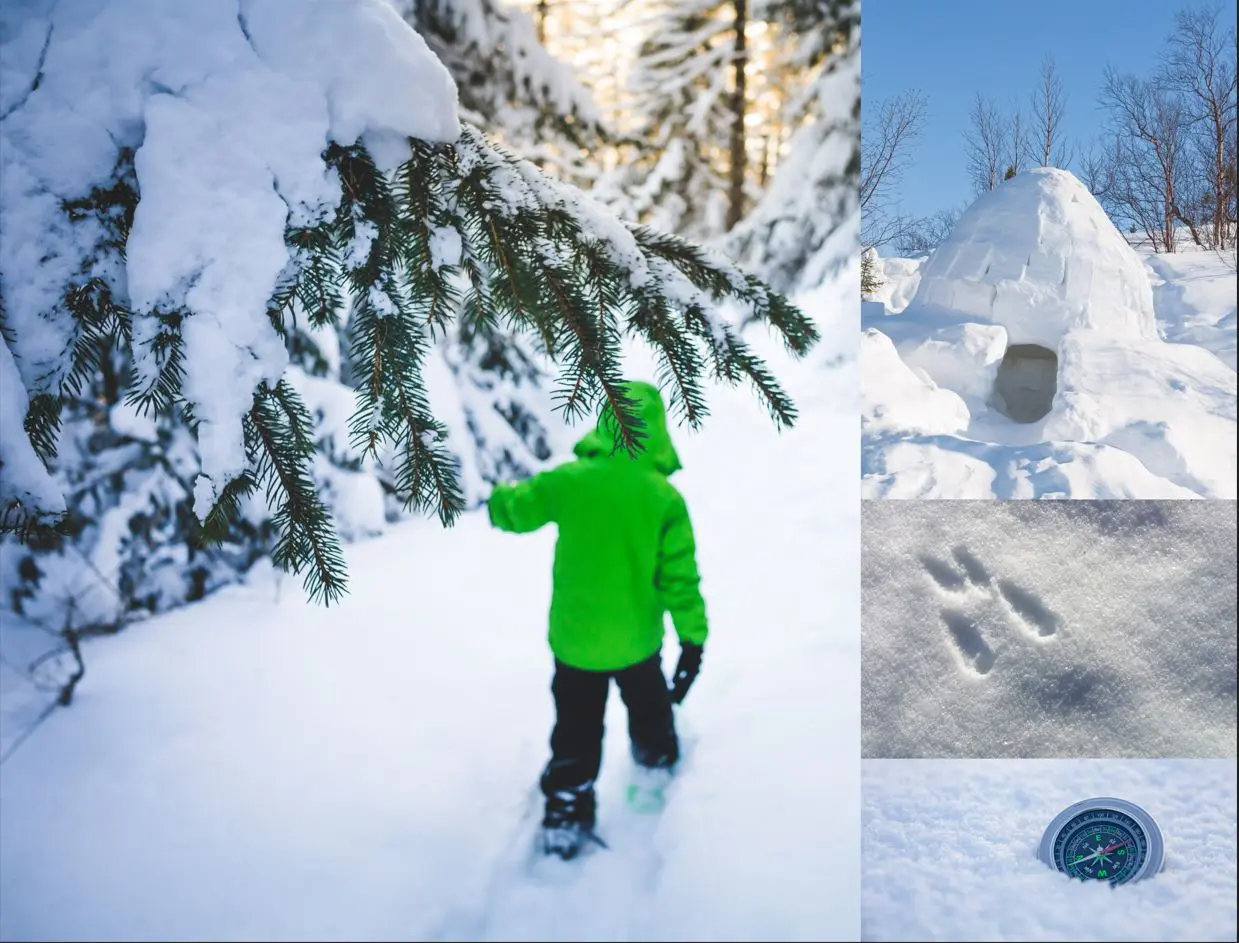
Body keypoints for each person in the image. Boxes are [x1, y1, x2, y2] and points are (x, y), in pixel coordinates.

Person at [487, 380, 708, 860]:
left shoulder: (570, 481)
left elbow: (517, 511)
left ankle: (565, 812)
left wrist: (499, 497)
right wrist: (693, 642)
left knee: (576, 728)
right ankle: (654, 773)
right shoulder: (663, 498)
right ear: (656, 431)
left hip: (576, 644)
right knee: (651, 713)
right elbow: (680, 580)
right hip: (637, 645)